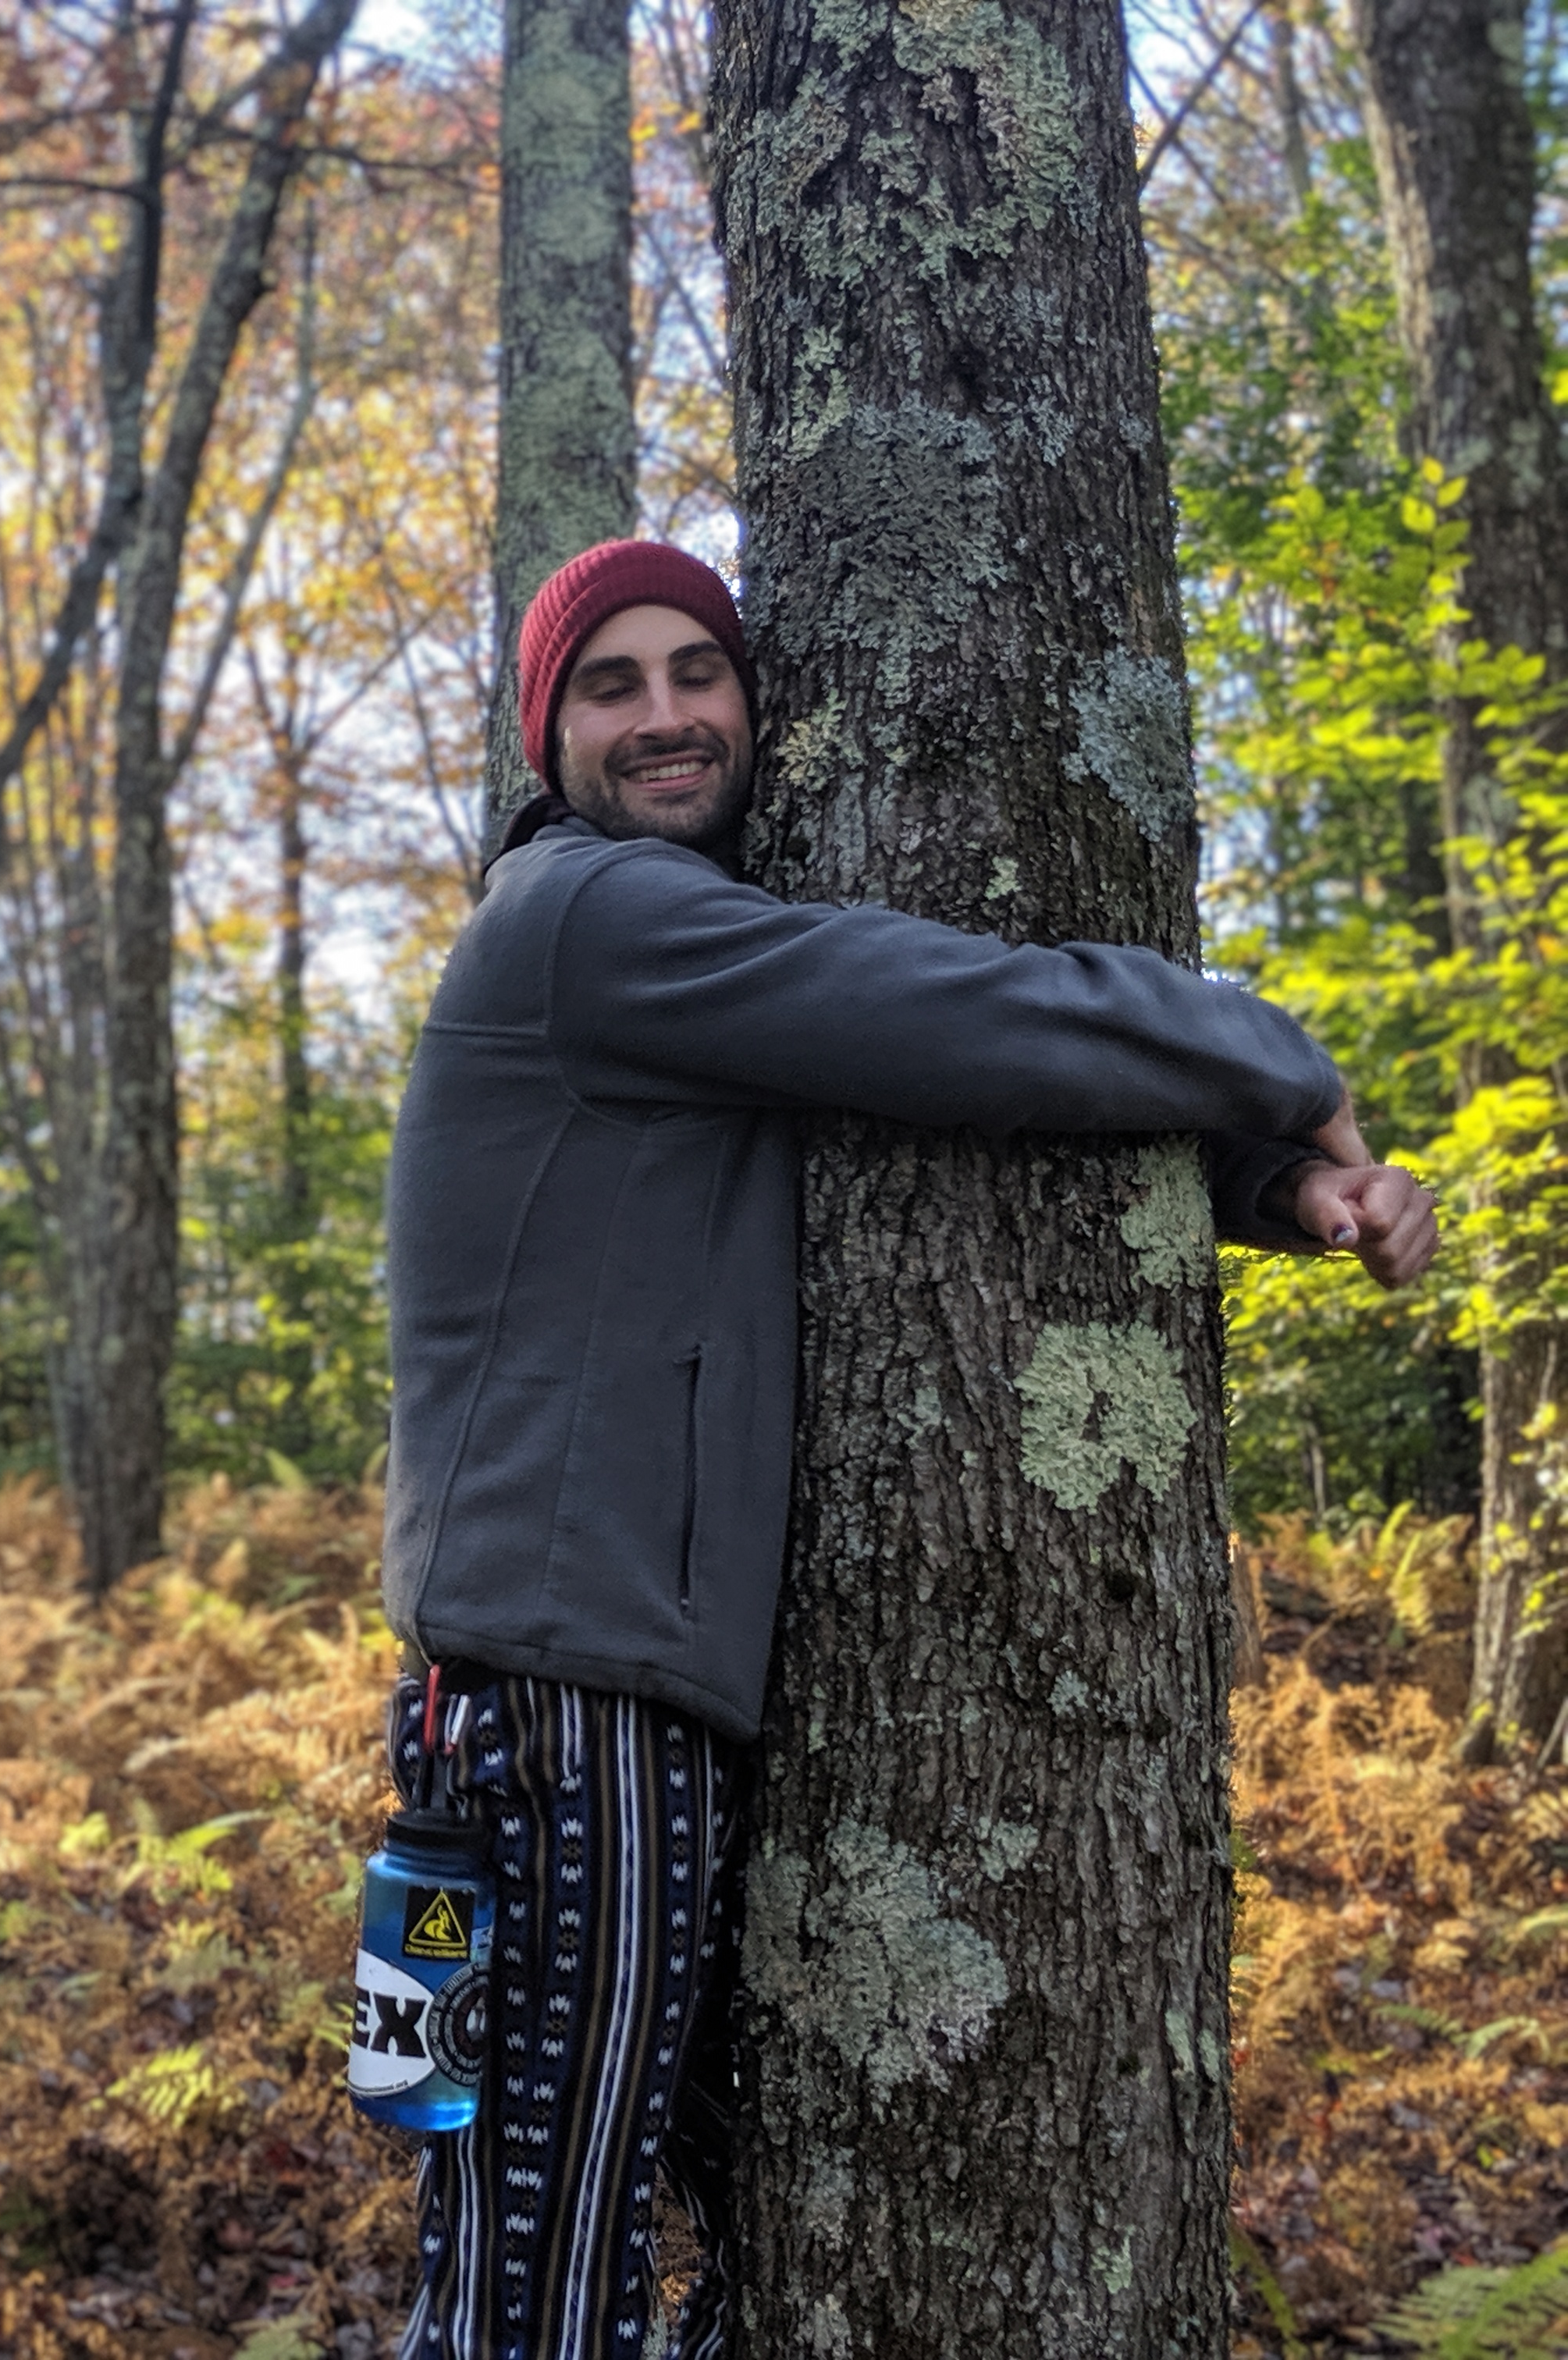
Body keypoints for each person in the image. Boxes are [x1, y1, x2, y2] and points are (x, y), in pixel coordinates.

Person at [378, 539, 1436, 2360]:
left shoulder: (681, 991)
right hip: (571, 1702)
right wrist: (1277, 1061)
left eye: (696, 672)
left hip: (595, 1691)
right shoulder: (589, 920)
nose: (663, 716)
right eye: (609, 685)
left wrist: (1277, 1190)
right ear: (546, 737)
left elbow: (908, 1114)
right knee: (535, 2273)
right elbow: (952, 1016)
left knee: (677, 2239)